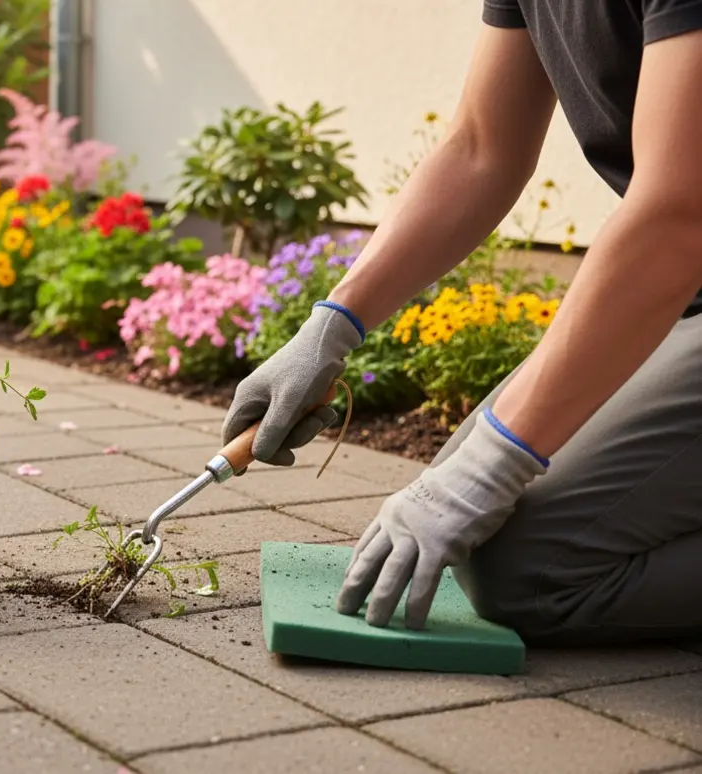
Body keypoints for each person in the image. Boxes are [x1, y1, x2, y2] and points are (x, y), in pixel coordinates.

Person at [222, 0, 702, 646]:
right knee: (482, 532)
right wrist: (330, 326)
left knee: (527, 568)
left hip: (678, 264)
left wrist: (494, 462)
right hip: (681, 298)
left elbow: (676, 212)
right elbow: (480, 147)